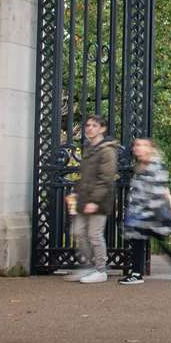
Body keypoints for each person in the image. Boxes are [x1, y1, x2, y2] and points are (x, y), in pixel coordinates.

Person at [120, 138, 171, 284]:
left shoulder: (156, 165)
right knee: (153, 242)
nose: (138, 148)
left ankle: (137, 274)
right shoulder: (139, 165)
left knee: (141, 241)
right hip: (142, 212)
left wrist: (143, 213)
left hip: (151, 213)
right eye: (136, 145)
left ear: (150, 148)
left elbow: (157, 191)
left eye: (142, 145)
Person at [68, 115, 119, 285]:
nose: (89, 128)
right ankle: (89, 265)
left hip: (100, 200)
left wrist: (94, 200)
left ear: (102, 128)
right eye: (87, 125)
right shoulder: (89, 148)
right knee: (78, 232)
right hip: (85, 198)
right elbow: (85, 177)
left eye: (94, 125)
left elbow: (106, 178)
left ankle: (100, 269)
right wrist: (76, 193)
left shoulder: (107, 150)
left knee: (94, 235)